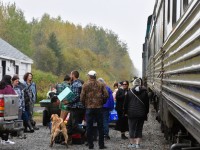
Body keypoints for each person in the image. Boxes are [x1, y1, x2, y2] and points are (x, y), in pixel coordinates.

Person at [80, 70, 109, 149]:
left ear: (89, 76)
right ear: (95, 76)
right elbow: (106, 95)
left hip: (89, 108)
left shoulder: (85, 85)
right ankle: (101, 145)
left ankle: (90, 145)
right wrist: (102, 102)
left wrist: (85, 104)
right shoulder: (101, 84)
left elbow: (82, 97)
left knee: (89, 127)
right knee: (100, 126)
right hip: (99, 108)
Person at [124, 78, 149, 149]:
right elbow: (147, 105)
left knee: (131, 128)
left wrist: (125, 112)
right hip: (141, 114)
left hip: (131, 114)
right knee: (139, 128)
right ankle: (137, 144)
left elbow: (125, 104)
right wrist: (146, 113)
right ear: (140, 84)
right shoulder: (145, 92)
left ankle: (132, 144)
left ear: (133, 84)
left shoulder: (129, 92)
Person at [67, 71, 85, 139]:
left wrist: (67, 102)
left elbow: (76, 97)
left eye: (71, 75)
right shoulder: (77, 83)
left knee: (74, 125)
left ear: (73, 75)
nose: (70, 76)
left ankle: (85, 133)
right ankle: (69, 140)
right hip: (74, 107)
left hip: (76, 107)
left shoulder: (75, 85)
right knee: (69, 124)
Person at [0, 75, 16, 144]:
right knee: (6, 126)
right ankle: (5, 139)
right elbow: (14, 96)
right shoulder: (8, 87)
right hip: (6, 110)